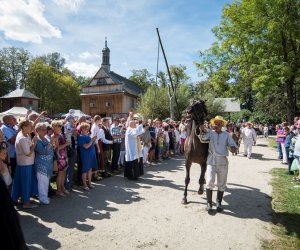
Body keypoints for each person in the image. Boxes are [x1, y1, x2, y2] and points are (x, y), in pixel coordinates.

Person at [199, 115, 237, 213]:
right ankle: (209, 203)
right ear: (213, 124)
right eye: (215, 122)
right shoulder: (210, 133)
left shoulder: (227, 135)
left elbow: (232, 145)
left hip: (223, 161)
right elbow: (202, 139)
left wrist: (233, 148)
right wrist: (202, 130)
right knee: (209, 181)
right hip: (211, 161)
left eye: (219, 123)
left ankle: (219, 202)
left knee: (221, 183)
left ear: (222, 124)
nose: (216, 124)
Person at [11, 120, 38, 209]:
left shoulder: (25, 134)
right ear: (24, 127)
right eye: (30, 126)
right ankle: (26, 203)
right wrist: (34, 143)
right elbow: (28, 153)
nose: (32, 127)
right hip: (25, 164)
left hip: (25, 163)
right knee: (25, 183)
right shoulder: (22, 138)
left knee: (21, 182)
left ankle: (19, 199)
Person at [34, 122, 57, 204]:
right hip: (41, 164)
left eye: (45, 129)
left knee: (46, 181)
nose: (45, 131)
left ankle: (45, 196)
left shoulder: (46, 138)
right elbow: (42, 151)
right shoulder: (37, 139)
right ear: (37, 130)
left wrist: (53, 143)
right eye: (43, 130)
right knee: (42, 182)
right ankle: (42, 198)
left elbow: (51, 149)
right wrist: (51, 143)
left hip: (48, 164)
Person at [77, 122, 98, 190]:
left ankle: (90, 184)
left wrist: (94, 140)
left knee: (90, 169)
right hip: (85, 155)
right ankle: (85, 185)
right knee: (85, 170)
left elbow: (91, 144)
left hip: (91, 155)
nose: (88, 130)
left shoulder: (87, 135)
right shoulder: (81, 137)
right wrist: (92, 140)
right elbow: (86, 146)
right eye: (86, 129)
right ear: (82, 129)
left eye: (88, 128)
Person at [51, 120, 69, 197]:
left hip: (64, 155)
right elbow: (56, 149)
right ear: (54, 127)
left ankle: (62, 188)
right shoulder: (54, 136)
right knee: (60, 174)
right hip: (59, 157)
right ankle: (58, 190)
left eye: (61, 126)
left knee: (64, 173)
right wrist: (66, 144)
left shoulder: (60, 134)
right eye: (59, 126)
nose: (60, 127)